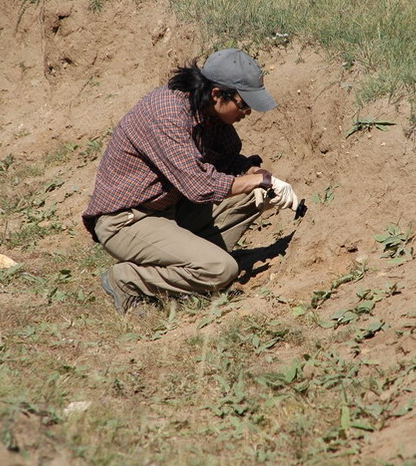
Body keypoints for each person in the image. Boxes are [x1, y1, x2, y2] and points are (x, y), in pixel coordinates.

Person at [82, 48, 300, 313]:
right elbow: (200, 187)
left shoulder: (210, 112)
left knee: (256, 193)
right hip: (128, 220)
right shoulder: (168, 114)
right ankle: (126, 280)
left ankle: (192, 269)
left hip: (168, 210)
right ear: (218, 94)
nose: (248, 112)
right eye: (244, 104)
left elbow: (227, 161)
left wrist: (254, 172)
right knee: (221, 270)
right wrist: (255, 181)